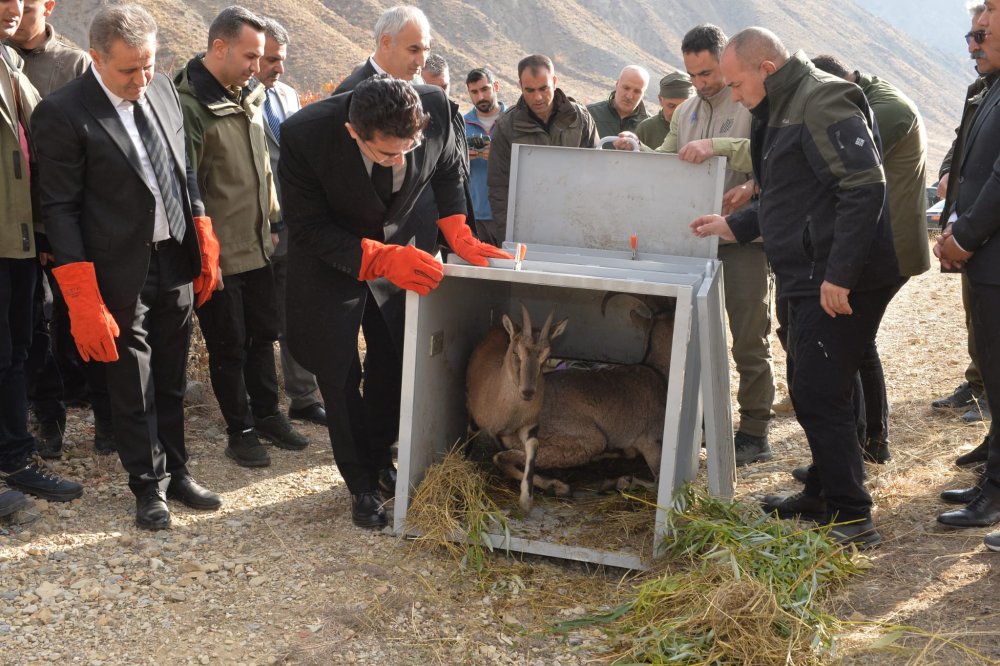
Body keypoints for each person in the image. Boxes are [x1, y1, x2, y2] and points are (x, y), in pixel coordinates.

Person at [690, 27, 899, 549]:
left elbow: (864, 185)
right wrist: (732, 226)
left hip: (837, 274)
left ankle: (853, 515)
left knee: (817, 390)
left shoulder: (821, 98)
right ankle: (823, 492)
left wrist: (839, 275)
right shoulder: (779, 107)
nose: (732, 95)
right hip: (805, 269)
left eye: (736, 84)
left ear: (765, 68)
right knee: (817, 384)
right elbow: (791, 194)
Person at [279, 76, 511, 528]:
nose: (399, 159)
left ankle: (381, 455)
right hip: (333, 259)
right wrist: (378, 256)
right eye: (386, 153)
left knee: (394, 357)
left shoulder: (436, 107)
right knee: (340, 370)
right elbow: (307, 227)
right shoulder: (304, 134)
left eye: (408, 147)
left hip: (405, 247)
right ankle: (361, 483)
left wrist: (457, 230)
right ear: (354, 133)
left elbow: (446, 168)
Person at [32, 4, 221, 528]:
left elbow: (183, 169)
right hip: (115, 268)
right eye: (128, 70)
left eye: (149, 64)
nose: (142, 79)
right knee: (131, 380)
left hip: (174, 254)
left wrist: (201, 228)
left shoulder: (162, 91)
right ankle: (147, 485)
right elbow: (61, 208)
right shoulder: (63, 112)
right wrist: (78, 290)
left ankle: (178, 472)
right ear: (95, 58)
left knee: (171, 376)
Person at [619, 25, 775, 466]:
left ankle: (755, 430)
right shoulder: (685, 111)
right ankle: (705, 421)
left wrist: (717, 148)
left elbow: (771, 153)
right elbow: (670, 158)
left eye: (708, 72)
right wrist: (638, 152)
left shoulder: (751, 98)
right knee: (696, 339)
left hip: (744, 238)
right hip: (696, 240)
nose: (703, 83)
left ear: (724, 59)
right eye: (694, 75)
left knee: (748, 336)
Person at [175, 5, 308, 468]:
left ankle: (269, 414)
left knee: (262, 336)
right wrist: (203, 249)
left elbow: (262, 172)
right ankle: (241, 429)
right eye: (250, 56)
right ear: (219, 47)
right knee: (228, 344)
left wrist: (271, 224)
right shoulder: (189, 105)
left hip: (259, 246)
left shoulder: (247, 96)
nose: (257, 66)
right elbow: (187, 183)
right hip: (219, 254)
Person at [811, 55, 930, 465]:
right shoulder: (869, 97)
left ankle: (871, 441)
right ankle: (866, 441)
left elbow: (839, 169)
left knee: (857, 343)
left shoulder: (886, 109)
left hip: (889, 244)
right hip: (877, 241)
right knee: (858, 342)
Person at [7, 0, 113, 461]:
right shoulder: (5, 59)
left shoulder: (74, 63)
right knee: (30, 332)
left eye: (28, 5)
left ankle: (105, 417)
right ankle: (47, 417)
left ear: (47, 7)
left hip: (65, 226)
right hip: (18, 230)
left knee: (79, 319)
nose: (19, 13)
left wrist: (59, 231)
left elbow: (88, 154)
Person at [2, 0, 82, 514]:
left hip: (20, 236)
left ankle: (14, 457)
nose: (11, 7)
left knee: (17, 347)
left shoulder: (9, 63)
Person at [933, 1, 1000, 549]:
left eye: (986, 27)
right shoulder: (989, 87)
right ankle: (993, 480)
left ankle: (995, 492)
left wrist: (964, 236)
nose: (976, 41)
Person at [258, 16, 326, 427]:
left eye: (280, 59)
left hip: (294, 225)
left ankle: (303, 396)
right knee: (260, 320)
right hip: (255, 227)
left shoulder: (286, 95)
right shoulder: (235, 97)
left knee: (296, 312)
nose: (276, 68)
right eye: (268, 59)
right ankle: (260, 404)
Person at [487, 54, 599, 244]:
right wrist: (509, 239)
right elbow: (499, 188)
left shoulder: (580, 119)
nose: (537, 97)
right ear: (519, 86)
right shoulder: (506, 126)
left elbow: (597, 175)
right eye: (529, 90)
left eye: (543, 88)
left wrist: (589, 228)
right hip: (527, 226)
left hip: (575, 222)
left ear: (554, 81)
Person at [334, 4, 429, 93]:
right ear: (386, 43)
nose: (422, 62)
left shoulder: (417, 83)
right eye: (413, 50)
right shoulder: (350, 93)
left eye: (426, 50)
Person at [464, 67, 505, 243]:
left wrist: (499, 156)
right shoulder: (461, 124)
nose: (480, 97)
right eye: (474, 92)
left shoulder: (513, 122)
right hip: (473, 216)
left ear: (495, 86)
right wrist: (462, 157)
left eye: (484, 89)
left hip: (506, 215)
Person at [634, 72, 694, 151]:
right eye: (671, 106)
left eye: (683, 107)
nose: (677, 113)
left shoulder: (700, 127)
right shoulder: (646, 129)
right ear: (660, 100)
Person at [586, 65, 650, 139]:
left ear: (643, 93)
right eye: (626, 88)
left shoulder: (650, 126)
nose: (629, 96)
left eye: (637, 91)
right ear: (617, 84)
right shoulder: (589, 115)